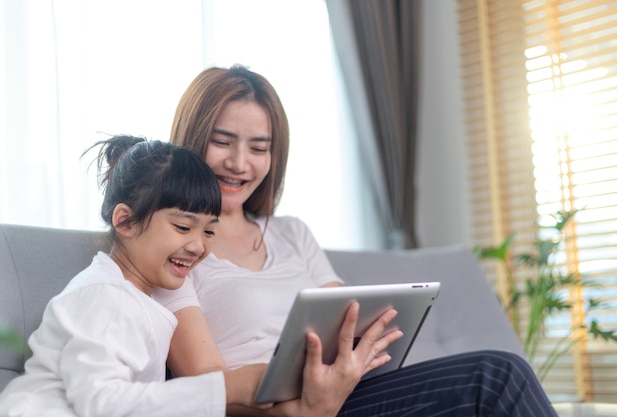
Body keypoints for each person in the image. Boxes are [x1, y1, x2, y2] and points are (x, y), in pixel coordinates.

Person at [153, 65, 559, 417]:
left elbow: (347, 317)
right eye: (222, 142)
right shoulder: (171, 244)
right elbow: (203, 384)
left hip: (348, 394)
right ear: (192, 138)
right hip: (276, 411)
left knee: (500, 379)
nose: (240, 163)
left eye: (259, 147)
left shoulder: (291, 232)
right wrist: (304, 411)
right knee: (498, 377)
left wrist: (365, 347)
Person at [0, 135, 273, 416]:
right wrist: (225, 388)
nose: (198, 246)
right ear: (126, 221)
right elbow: (102, 404)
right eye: (182, 226)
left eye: (208, 231)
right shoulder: (106, 296)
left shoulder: (140, 299)